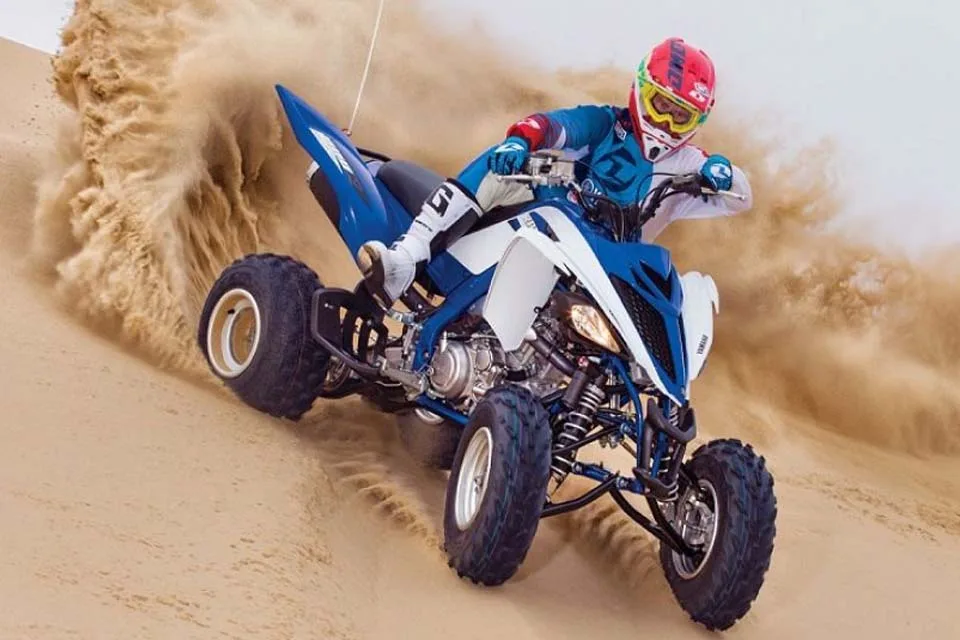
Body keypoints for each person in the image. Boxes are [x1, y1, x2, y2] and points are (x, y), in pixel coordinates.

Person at [357, 37, 753, 306]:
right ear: (640, 89)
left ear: (698, 119)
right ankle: (405, 260)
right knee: (502, 167)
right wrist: (521, 140)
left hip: (608, 276)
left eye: (680, 115)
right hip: (553, 230)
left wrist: (723, 172)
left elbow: (742, 196)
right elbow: (555, 126)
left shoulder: (687, 164)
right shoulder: (605, 124)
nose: (666, 121)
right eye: (660, 104)